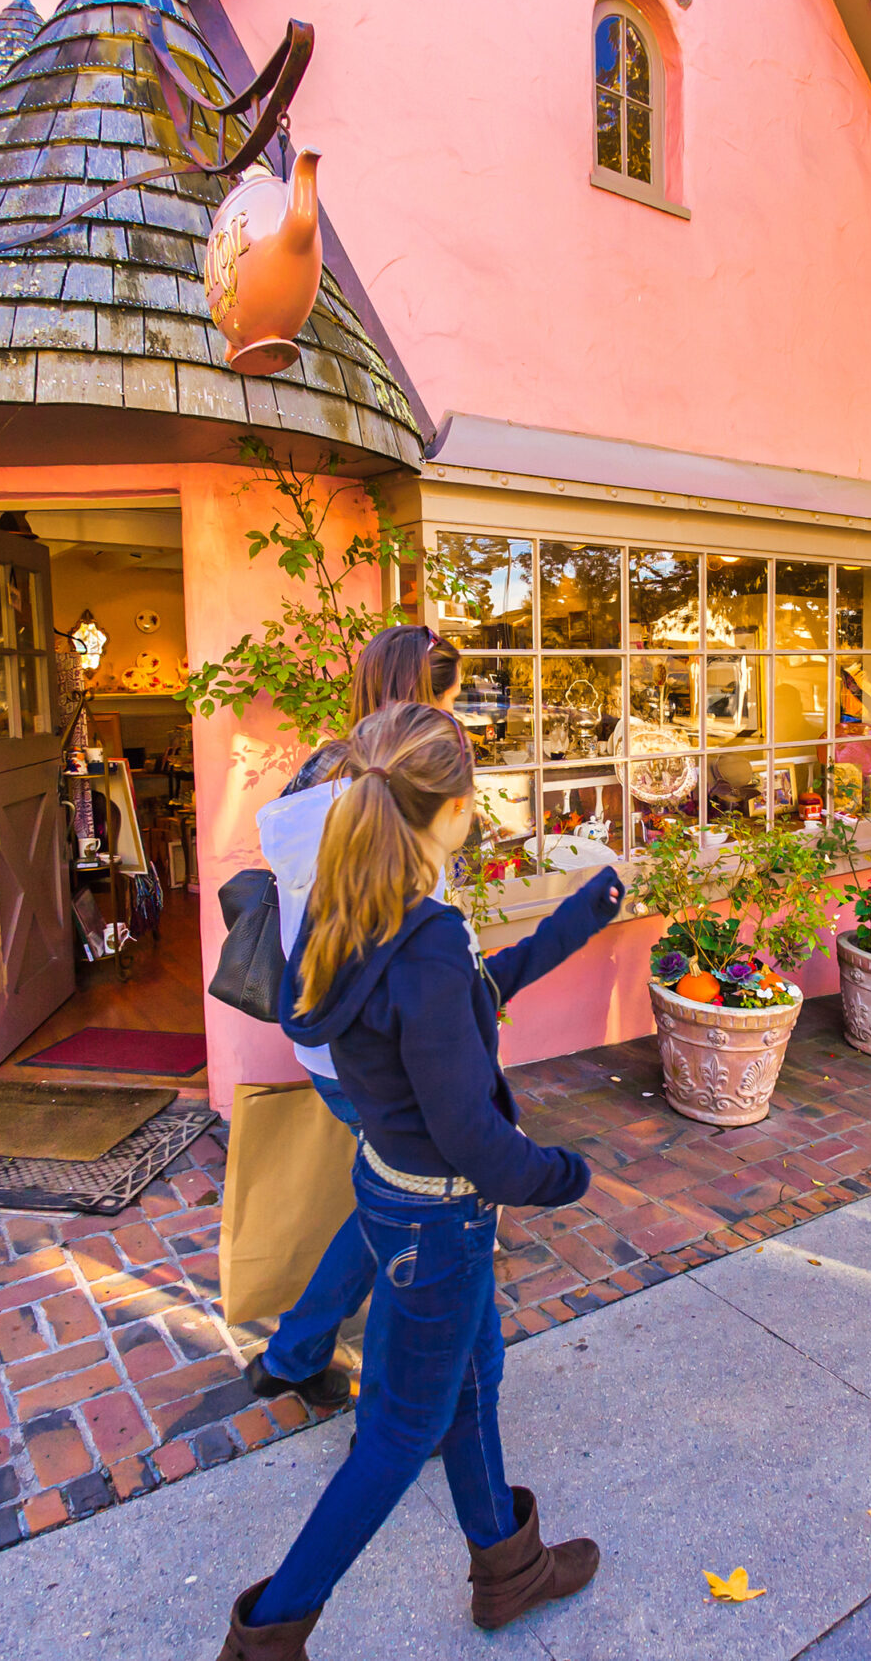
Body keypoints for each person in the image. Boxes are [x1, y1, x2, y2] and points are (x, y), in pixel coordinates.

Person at [220, 702, 623, 1657]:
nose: (479, 809)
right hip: (439, 1221)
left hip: (394, 1194)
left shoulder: (351, 915)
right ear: (443, 808)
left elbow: (475, 995)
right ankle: (268, 1636)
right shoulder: (424, 937)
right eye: (472, 792)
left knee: (474, 1383)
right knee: (399, 1434)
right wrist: (565, 1174)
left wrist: (585, 910)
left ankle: (509, 1571)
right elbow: (475, 1138)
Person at [243, 625, 464, 1411]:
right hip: (390, 1040)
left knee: (392, 1191)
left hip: (325, 1025)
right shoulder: (418, 778)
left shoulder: (317, 770)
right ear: (429, 692)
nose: (456, 707)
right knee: (413, 1204)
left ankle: (297, 1355)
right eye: (449, 691)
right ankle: (312, 1357)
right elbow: (426, 920)